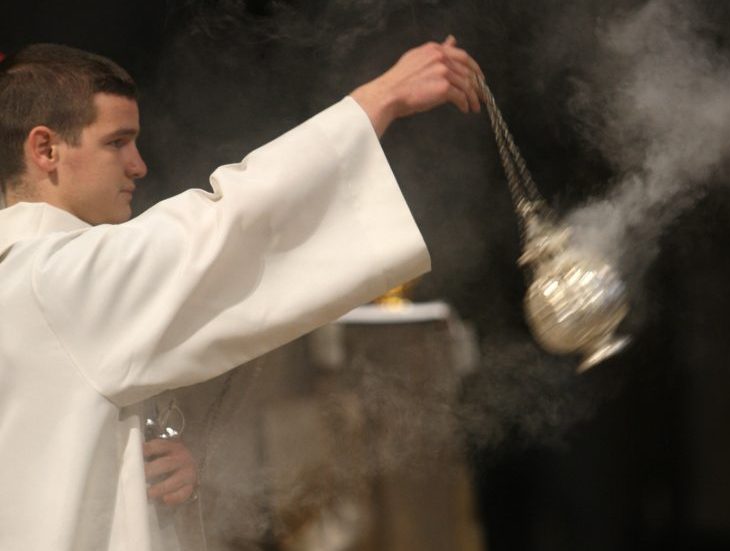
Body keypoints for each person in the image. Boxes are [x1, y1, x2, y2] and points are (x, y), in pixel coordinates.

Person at [0, 37, 482, 550]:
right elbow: (226, 225)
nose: (138, 166)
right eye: (117, 142)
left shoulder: (29, 276)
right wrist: (381, 99)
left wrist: (163, 460)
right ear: (46, 149)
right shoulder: (53, 278)